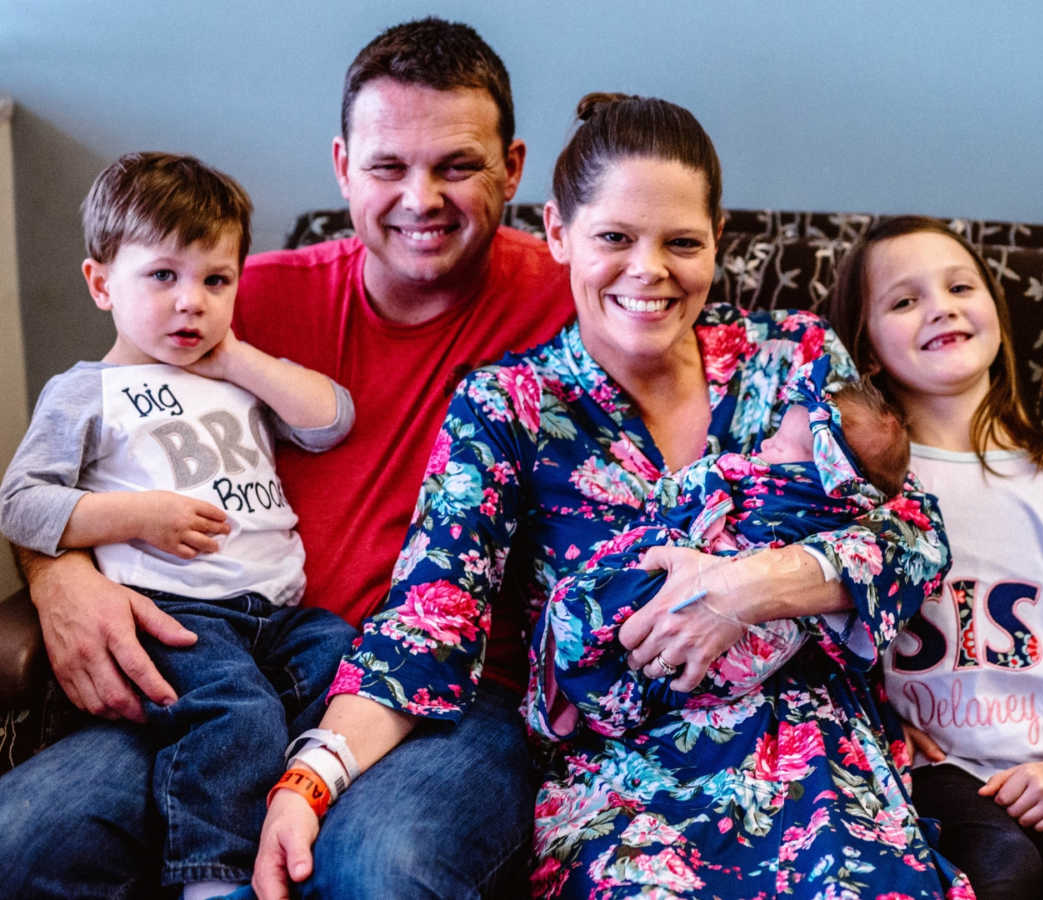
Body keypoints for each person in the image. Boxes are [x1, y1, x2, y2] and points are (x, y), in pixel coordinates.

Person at [254, 93, 970, 900]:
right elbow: (428, 625)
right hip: (627, 789)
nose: (648, 271)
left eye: (681, 243)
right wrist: (309, 779)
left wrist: (747, 587)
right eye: (614, 239)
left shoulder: (793, 355)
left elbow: (915, 540)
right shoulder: (508, 405)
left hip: (819, 764)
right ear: (558, 234)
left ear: (718, 240)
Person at [0, 18, 574, 899]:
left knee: (378, 872)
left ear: (514, 167)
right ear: (343, 167)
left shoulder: (575, 302)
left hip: (448, 696)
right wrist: (55, 575)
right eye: (388, 166)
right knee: (26, 842)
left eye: (457, 165)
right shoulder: (229, 300)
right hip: (210, 657)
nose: (420, 197)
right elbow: (81, 449)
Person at [0, 152, 357, 899]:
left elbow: (331, 421)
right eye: (163, 276)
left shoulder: (237, 381)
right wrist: (133, 516)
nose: (191, 302)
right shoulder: (88, 393)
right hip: (179, 619)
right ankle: (211, 879)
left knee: (353, 665)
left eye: (215, 280)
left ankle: (277, 790)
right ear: (101, 283)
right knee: (240, 715)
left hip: (278, 619)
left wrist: (240, 359)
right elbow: (21, 503)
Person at [827, 215, 1043, 899]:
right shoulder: (856, 485)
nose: (941, 307)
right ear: (865, 349)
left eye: (960, 286)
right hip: (929, 770)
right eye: (904, 300)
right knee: (1001, 873)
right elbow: (828, 636)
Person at [535, 378, 912, 737]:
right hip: (693, 634)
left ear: (826, 480)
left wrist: (738, 577)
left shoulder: (824, 509)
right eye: (774, 435)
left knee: (604, 610)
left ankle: (611, 687)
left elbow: (915, 540)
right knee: (618, 601)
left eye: (782, 447)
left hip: (762, 672)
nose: (765, 446)